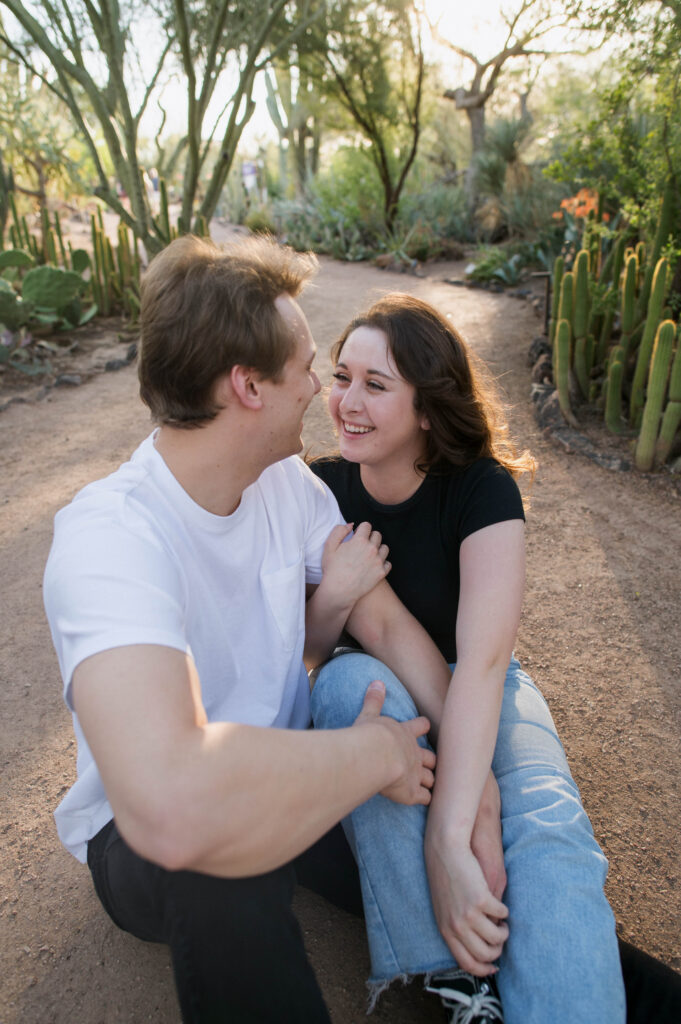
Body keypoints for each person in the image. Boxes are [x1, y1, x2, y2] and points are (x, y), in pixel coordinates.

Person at [42, 235, 502, 1023]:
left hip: (296, 780)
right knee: (220, 849)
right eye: (308, 367)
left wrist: (472, 775)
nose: (319, 391)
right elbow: (171, 803)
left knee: (462, 855)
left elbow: (386, 628)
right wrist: (373, 754)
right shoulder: (109, 538)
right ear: (247, 386)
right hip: (145, 843)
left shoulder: (286, 484)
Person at [308, 293, 629, 1024]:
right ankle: (451, 986)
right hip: (376, 692)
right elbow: (307, 655)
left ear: (427, 408)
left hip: (480, 686)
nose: (346, 402)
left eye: (375, 385)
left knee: (542, 821)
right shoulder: (318, 490)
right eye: (341, 376)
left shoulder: (483, 489)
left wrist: (458, 821)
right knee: (354, 685)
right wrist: (331, 601)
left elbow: (483, 665)